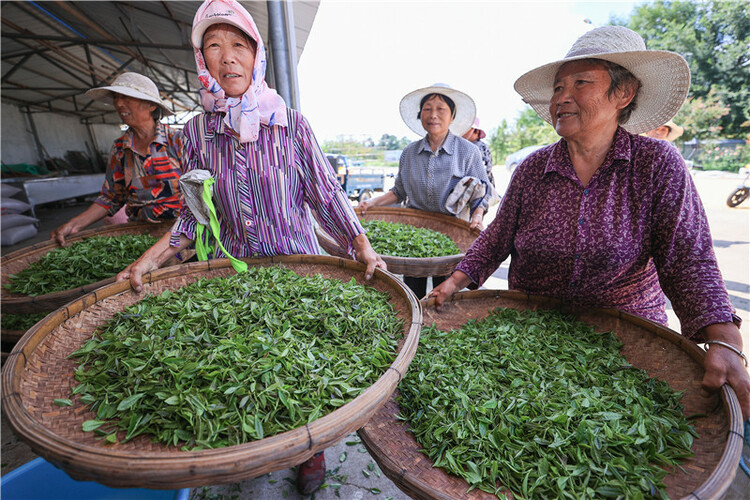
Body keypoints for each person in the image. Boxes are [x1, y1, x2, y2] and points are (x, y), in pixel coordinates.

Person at [116, 0, 385, 493]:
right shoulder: (196, 134)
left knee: (305, 366)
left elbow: (325, 194)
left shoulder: (290, 125)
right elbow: (194, 216)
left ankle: (310, 451)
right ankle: (256, 444)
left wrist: (359, 244)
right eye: (213, 46)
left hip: (299, 271)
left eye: (239, 45)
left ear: (256, 54)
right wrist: (148, 259)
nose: (228, 58)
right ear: (202, 60)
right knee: (252, 365)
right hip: (231, 277)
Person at [430, 25, 750, 418]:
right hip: (530, 335)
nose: (562, 98)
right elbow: (498, 236)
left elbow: (688, 257)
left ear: (623, 93)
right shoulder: (533, 170)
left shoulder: (655, 165)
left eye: (580, 83)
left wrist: (723, 337)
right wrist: (457, 280)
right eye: (558, 88)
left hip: (625, 342)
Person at [359, 83, 493, 298]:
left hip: (452, 234)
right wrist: (371, 203)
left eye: (441, 109)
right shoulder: (409, 153)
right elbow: (398, 192)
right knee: (411, 290)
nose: (433, 115)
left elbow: (482, 192)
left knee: (445, 292)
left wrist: (477, 216)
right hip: (415, 232)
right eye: (427, 109)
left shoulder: (468, 152)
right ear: (420, 115)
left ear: (452, 116)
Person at [50, 72, 183, 245]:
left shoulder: (178, 140)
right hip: (140, 236)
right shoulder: (120, 148)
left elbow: (203, 191)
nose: (119, 104)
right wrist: (73, 224)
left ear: (151, 105)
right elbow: (111, 197)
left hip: (182, 233)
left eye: (127, 98)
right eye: (116, 97)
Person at [463, 118, 495, 186]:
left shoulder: (479, 148)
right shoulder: (468, 147)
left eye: (466, 128)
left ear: (476, 131)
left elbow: (481, 175)